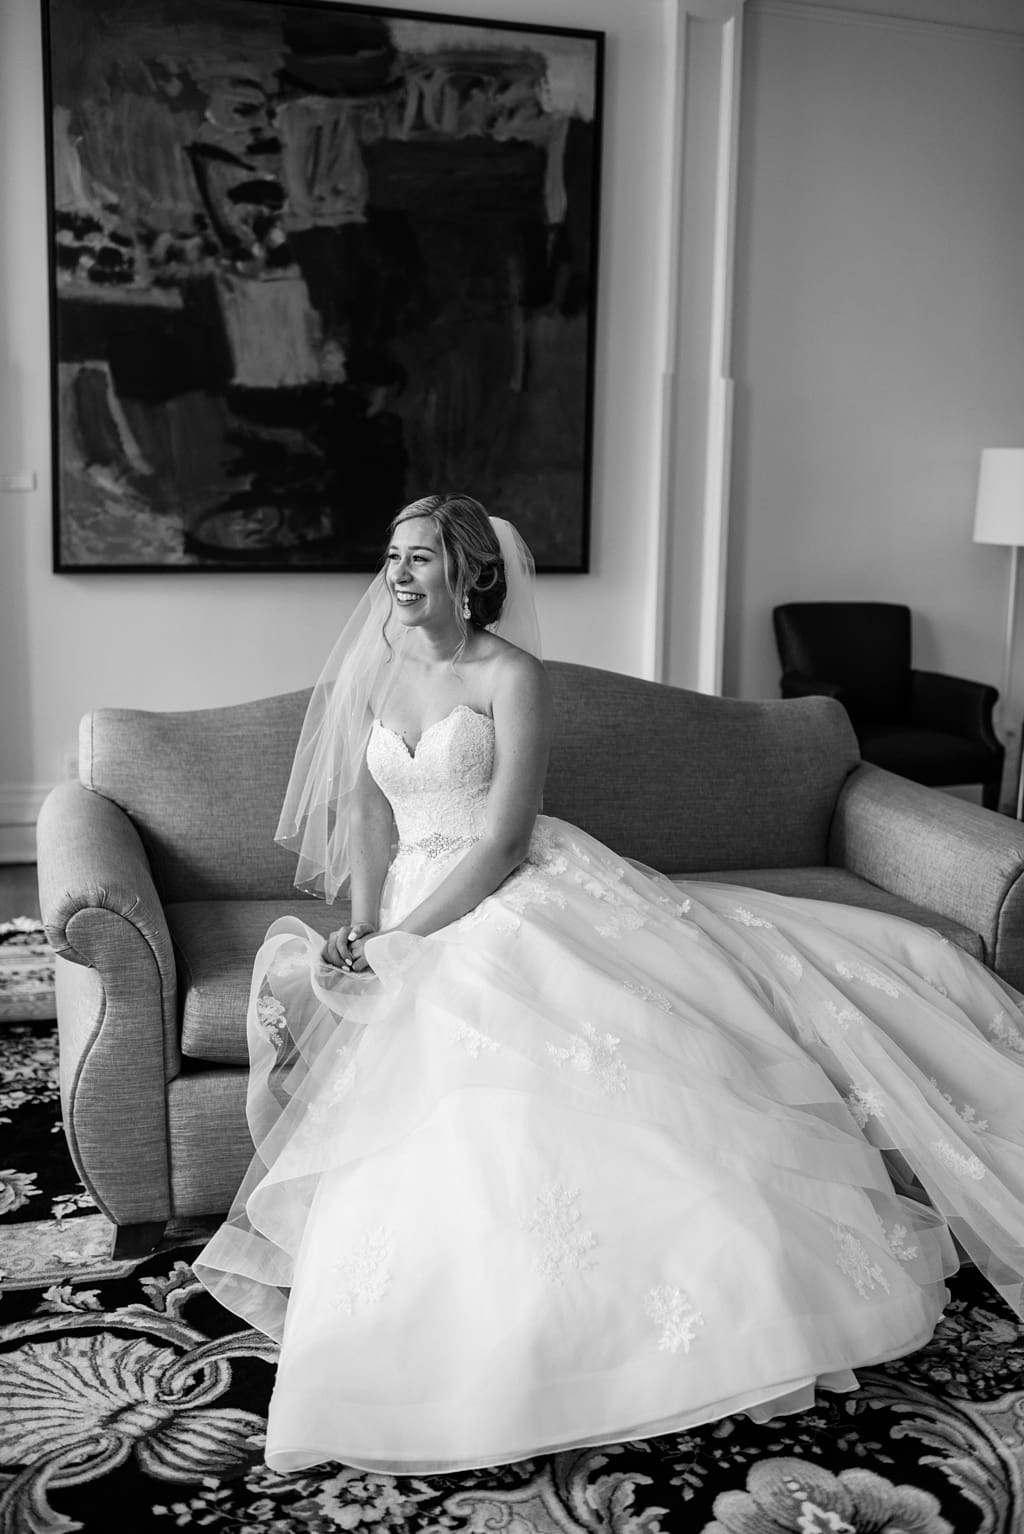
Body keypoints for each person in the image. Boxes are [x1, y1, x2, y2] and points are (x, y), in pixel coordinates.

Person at [195, 493, 1024, 1478]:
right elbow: (370, 822)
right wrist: (366, 931)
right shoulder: (377, 674)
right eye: (392, 557)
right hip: (412, 896)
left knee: (546, 1029)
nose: (399, 576)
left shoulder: (512, 675)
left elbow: (502, 839)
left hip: (507, 890)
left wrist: (411, 940)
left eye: (420, 558)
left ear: (471, 575)